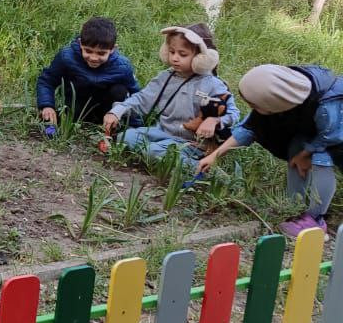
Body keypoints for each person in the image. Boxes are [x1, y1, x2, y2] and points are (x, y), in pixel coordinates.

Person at [198, 64, 343, 237]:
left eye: (253, 104)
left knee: (321, 157)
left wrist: (307, 154)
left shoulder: (326, 105)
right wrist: (215, 155)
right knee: (296, 148)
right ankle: (295, 206)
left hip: (337, 134)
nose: (252, 108)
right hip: (317, 130)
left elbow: (332, 136)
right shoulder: (284, 95)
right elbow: (249, 128)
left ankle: (315, 220)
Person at [102, 24, 238, 172]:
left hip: (191, 143)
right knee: (125, 138)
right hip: (161, 132)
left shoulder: (214, 85)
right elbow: (142, 99)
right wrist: (117, 111)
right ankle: (161, 156)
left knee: (152, 152)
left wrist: (215, 120)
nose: (175, 58)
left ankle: (203, 168)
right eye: (172, 52)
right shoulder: (165, 77)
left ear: (201, 58)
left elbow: (233, 114)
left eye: (183, 54)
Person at [36, 17, 140, 126]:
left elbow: (136, 95)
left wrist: (136, 126)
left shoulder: (122, 66)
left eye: (101, 53)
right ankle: (51, 129)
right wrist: (47, 105)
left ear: (113, 49)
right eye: (88, 51)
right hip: (75, 106)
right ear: (80, 43)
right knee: (49, 122)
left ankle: (112, 129)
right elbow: (47, 81)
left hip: (107, 112)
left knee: (120, 90)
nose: (94, 57)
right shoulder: (66, 57)